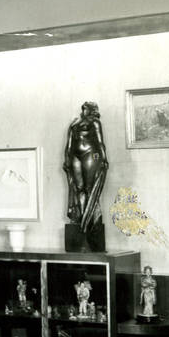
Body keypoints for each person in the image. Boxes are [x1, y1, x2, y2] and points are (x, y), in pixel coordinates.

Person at [63, 101, 109, 236]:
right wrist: (66, 159)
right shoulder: (75, 124)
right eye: (83, 108)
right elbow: (69, 143)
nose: (84, 110)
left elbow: (100, 142)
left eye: (86, 108)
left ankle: (91, 221)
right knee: (79, 189)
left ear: (91, 110)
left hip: (90, 154)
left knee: (89, 188)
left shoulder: (95, 122)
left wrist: (104, 158)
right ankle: (81, 218)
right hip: (75, 156)